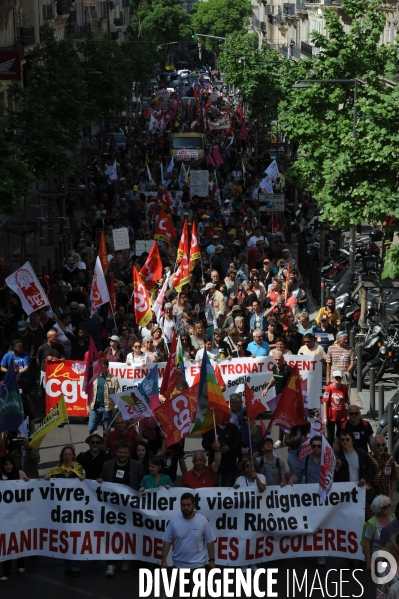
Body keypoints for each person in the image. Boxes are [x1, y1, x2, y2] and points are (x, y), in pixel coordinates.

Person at [98, 442, 145, 577]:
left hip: (130, 508)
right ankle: (111, 563)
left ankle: (125, 560)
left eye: (125, 452)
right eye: (120, 452)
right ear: (116, 452)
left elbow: (143, 482)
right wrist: (99, 480)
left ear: (129, 453)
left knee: (127, 535)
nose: (122, 455)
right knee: (111, 535)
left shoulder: (137, 466)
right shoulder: (108, 465)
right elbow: (101, 478)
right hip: (111, 508)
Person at [161, 492, 216, 575]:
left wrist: (211, 560)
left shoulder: (202, 521)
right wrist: (164, 560)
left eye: (188, 505)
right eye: (183, 505)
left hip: (198, 566)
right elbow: (167, 541)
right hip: (178, 566)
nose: (185, 507)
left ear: (193, 505)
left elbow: (210, 541)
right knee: (180, 588)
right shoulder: (174, 521)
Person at [0, 454, 28, 581]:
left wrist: (28, 481)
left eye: (10, 463)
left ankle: (21, 564)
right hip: (5, 517)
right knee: (5, 543)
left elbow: (30, 488)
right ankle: (7, 571)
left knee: (19, 540)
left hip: (19, 514)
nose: (8, 466)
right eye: (6, 464)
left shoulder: (20, 473)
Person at [334, 430, 377, 498]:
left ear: (352, 441)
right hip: (343, 492)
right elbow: (332, 477)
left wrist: (365, 479)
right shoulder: (336, 455)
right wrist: (337, 468)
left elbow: (372, 468)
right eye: (342, 440)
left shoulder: (361, 453)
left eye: (347, 439)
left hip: (360, 490)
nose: (345, 441)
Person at [202, 417, 241, 487]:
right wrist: (212, 446)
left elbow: (237, 444)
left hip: (229, 462)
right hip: (214, 461)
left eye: (228, 416)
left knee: (227, 485)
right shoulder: (211, 428)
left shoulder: (233, 428)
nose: (227, 418)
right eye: (225, 416)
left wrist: (229, 448)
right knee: (214, 483)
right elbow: (204, 443)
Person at [88, 358, 120, 434]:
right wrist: (87, 405)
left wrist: (115, 408)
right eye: (100, 367)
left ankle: (105, 445)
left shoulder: (113, 379)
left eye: (104, 367)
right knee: (91, 428)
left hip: (107, 408)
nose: (101, 369)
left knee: (107, 430)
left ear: (107, 368)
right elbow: (90, 392)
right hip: (94, 407)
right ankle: (95, 444)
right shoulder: (94, 377)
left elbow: (118, 394)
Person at [364, 495, 395, 571]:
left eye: (389, 505)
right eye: (385, 507)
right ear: (378, 509)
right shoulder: (371, 523)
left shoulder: (393, 518)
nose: (388, 508)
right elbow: (367, 544)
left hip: (393, 554)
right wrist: (368, 563)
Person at [323, 370, 349, 445]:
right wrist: (325, 418)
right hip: (331, 416)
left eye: (339, 378)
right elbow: (325, 402)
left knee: (341, 435)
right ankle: (330, 453)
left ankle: (339, 452)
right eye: (336, 378)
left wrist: (350, 410)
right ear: (333, 378)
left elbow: (347, 399)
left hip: (342, 416)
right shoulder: (329, 388)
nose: (338, 379)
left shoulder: (344, 387)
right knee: (330, 437)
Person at [370, 436, 398, 502]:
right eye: (378, 445)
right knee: (371, 511)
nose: (381, 447)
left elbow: (394, 478)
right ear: (373, 446)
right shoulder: (368, 457)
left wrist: (390, 494)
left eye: (383, 445)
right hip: (371, 494)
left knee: (385, 512)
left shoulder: (389, 458)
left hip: (385, 494)